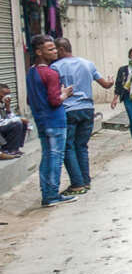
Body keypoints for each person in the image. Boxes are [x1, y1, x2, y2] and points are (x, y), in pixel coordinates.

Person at [50, 37, 114, 196]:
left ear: (62, 50)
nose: (54, 53)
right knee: (81, 146)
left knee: (68, 147)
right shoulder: (88, 63)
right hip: (87, 109)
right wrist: (111, 82)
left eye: (55, 50)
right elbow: (105, 84)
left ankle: (77, 184)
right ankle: (85, 181)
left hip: (69, 110)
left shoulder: (56, 67)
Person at [25, 35, 76, 207]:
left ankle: (46, 193)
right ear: (39, 52)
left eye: (55, 48)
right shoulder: (51, 73)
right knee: (55, 157)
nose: (55, 52)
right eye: (50, 49)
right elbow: (55, 101)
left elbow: (28, 100)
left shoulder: (31, 72)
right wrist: (65, 94)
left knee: (47, 156)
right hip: (55, 120)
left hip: (41, 121)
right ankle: (52, 194)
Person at [0, 84, 26, 158]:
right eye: (5, 94)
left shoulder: (3, 103)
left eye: (8, 94)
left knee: (23, 122)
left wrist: (8, 108)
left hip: (3, 126)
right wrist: (15, 120)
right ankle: (8, 149)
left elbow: (9, 117)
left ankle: (15, 148)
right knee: (17, 123)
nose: (8, 96)